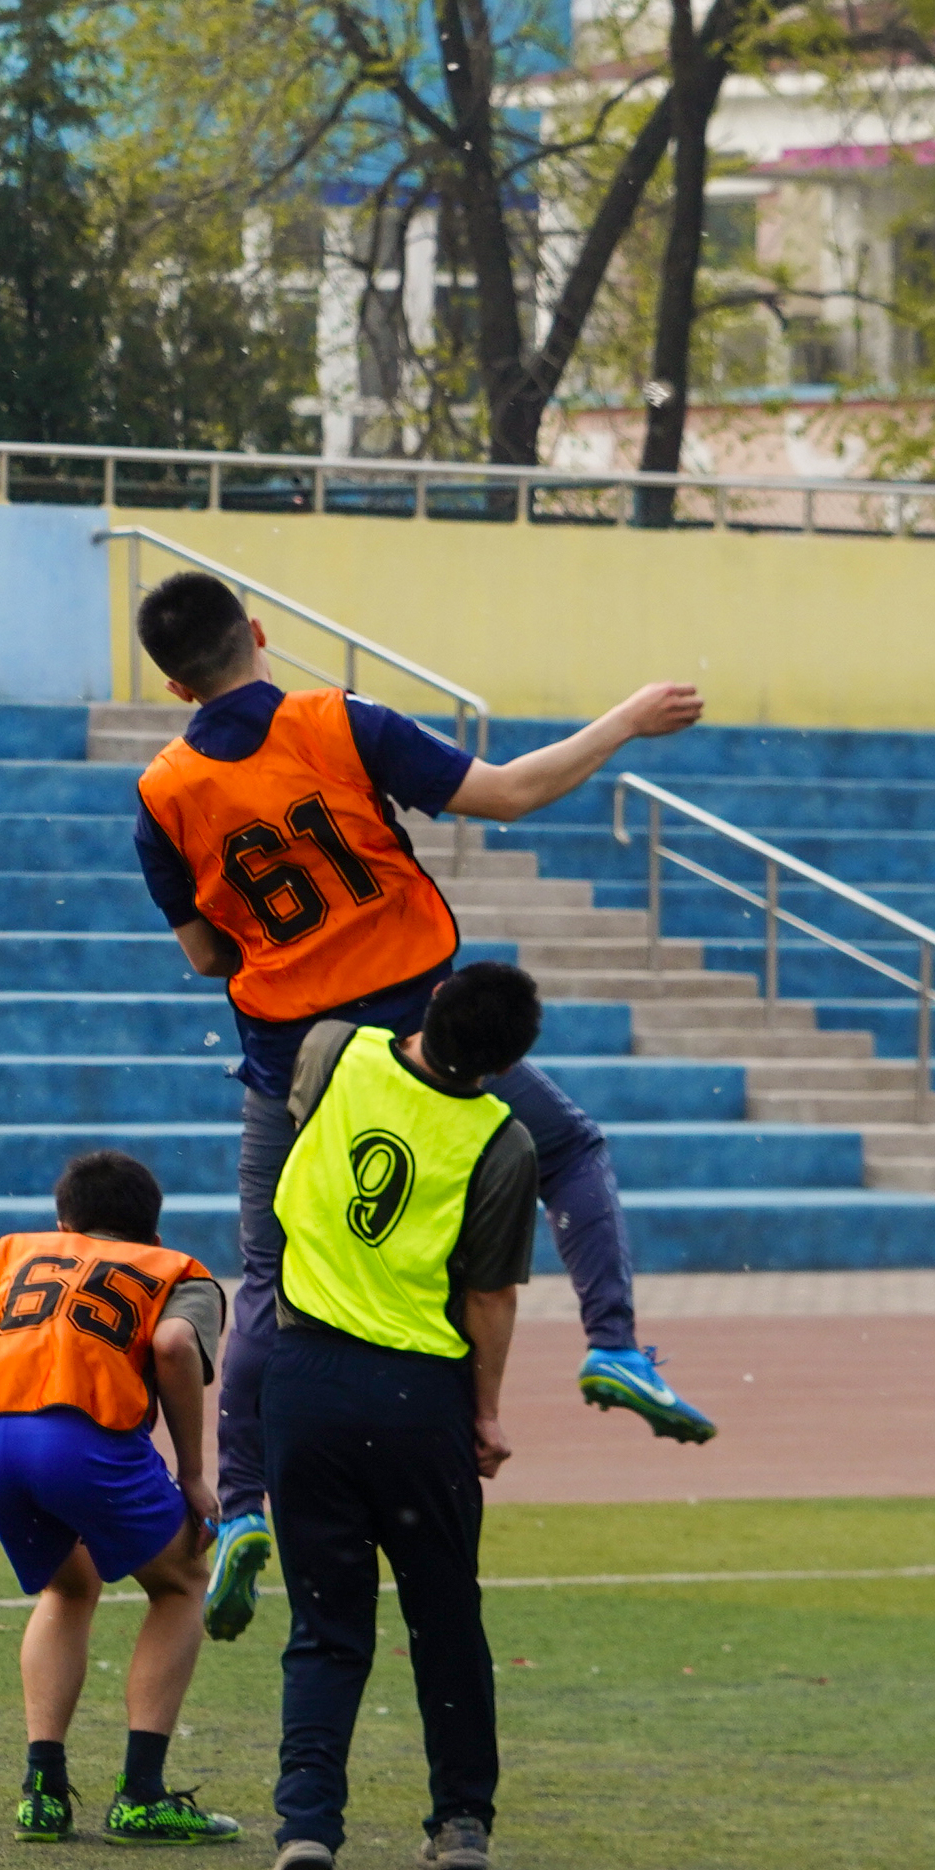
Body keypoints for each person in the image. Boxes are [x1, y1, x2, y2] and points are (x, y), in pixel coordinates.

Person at [127, 568, 716, 1648]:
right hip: (413, 1031)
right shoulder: (336, 721)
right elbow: (508, 793)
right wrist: (626, 721)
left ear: (173, 685)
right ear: (257, 632)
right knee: (567, 1150)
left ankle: (243, 1503)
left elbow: (206, 953)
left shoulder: (161, 794)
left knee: (269, 1279)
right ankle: (613, 1343)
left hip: (293, 1060)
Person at [261, 961, 545, 1870]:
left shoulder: (332, 1050)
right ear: (507, 1064)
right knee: (445, 1615)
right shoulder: (501, 1141)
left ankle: (307, 1824)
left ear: (432, 1002)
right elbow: (489, 1296)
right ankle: (461, 1820)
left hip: (305, 1383)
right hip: (420, 1399)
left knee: (325, 1625)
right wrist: (486, 1413)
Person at [0, 1149, 243, 1848]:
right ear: (152, 1230)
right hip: (82, 1439)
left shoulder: (15, 1249)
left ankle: (43, 1794)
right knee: (182, 1581)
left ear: (64, 1222)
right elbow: (175, 1346)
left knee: (68, 1586)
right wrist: (192, 1472)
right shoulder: (178, 1270)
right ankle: (141, 1797)